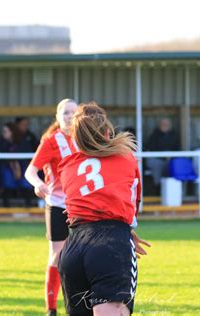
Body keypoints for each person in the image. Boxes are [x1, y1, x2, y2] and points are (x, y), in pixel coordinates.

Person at [56, 102, 150, 316]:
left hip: (73, 249)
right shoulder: (126, 157)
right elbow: (131, 206)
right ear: (108, 131)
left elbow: (80, 206)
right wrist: (124, 231)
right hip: (110, 245)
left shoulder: (67, 166)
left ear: (75, 138)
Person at [24, 99, 79, 316]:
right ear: (57, 116)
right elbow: (31, 170)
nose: (69, 116)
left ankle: (79, 304)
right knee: (57, 255)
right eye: (65, 112)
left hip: (81, 206)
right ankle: (51, 308)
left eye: (73, 112)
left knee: (82, 254)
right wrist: (39, 184)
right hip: (57, 204)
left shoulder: (85, 138)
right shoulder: (51, 141)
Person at [0, 122, 31, 207]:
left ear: (12, 132)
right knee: (6, 175)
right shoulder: (1, 142)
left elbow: (26, 156)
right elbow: (0, 156)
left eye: (6, 131)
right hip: (7, 167)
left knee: (25, 179)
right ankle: (6, 206)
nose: (4, 133)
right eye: (3, 131)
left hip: (22, 167)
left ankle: (29, 205)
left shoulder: (22, 141)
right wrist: (11, 164)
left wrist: (17, 167)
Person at [144, 118, 180, 193]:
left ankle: (177, 191)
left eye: (166, 124)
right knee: (157, 165)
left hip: (171, 159)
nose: (165, 126)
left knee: (177, 165)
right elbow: (151, 148)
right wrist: (163, 156)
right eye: (163, 124)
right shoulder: (155, 135)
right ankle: (158, 187)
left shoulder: (174, 135)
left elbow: (177, 148)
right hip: (158, 159)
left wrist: (171, 156)